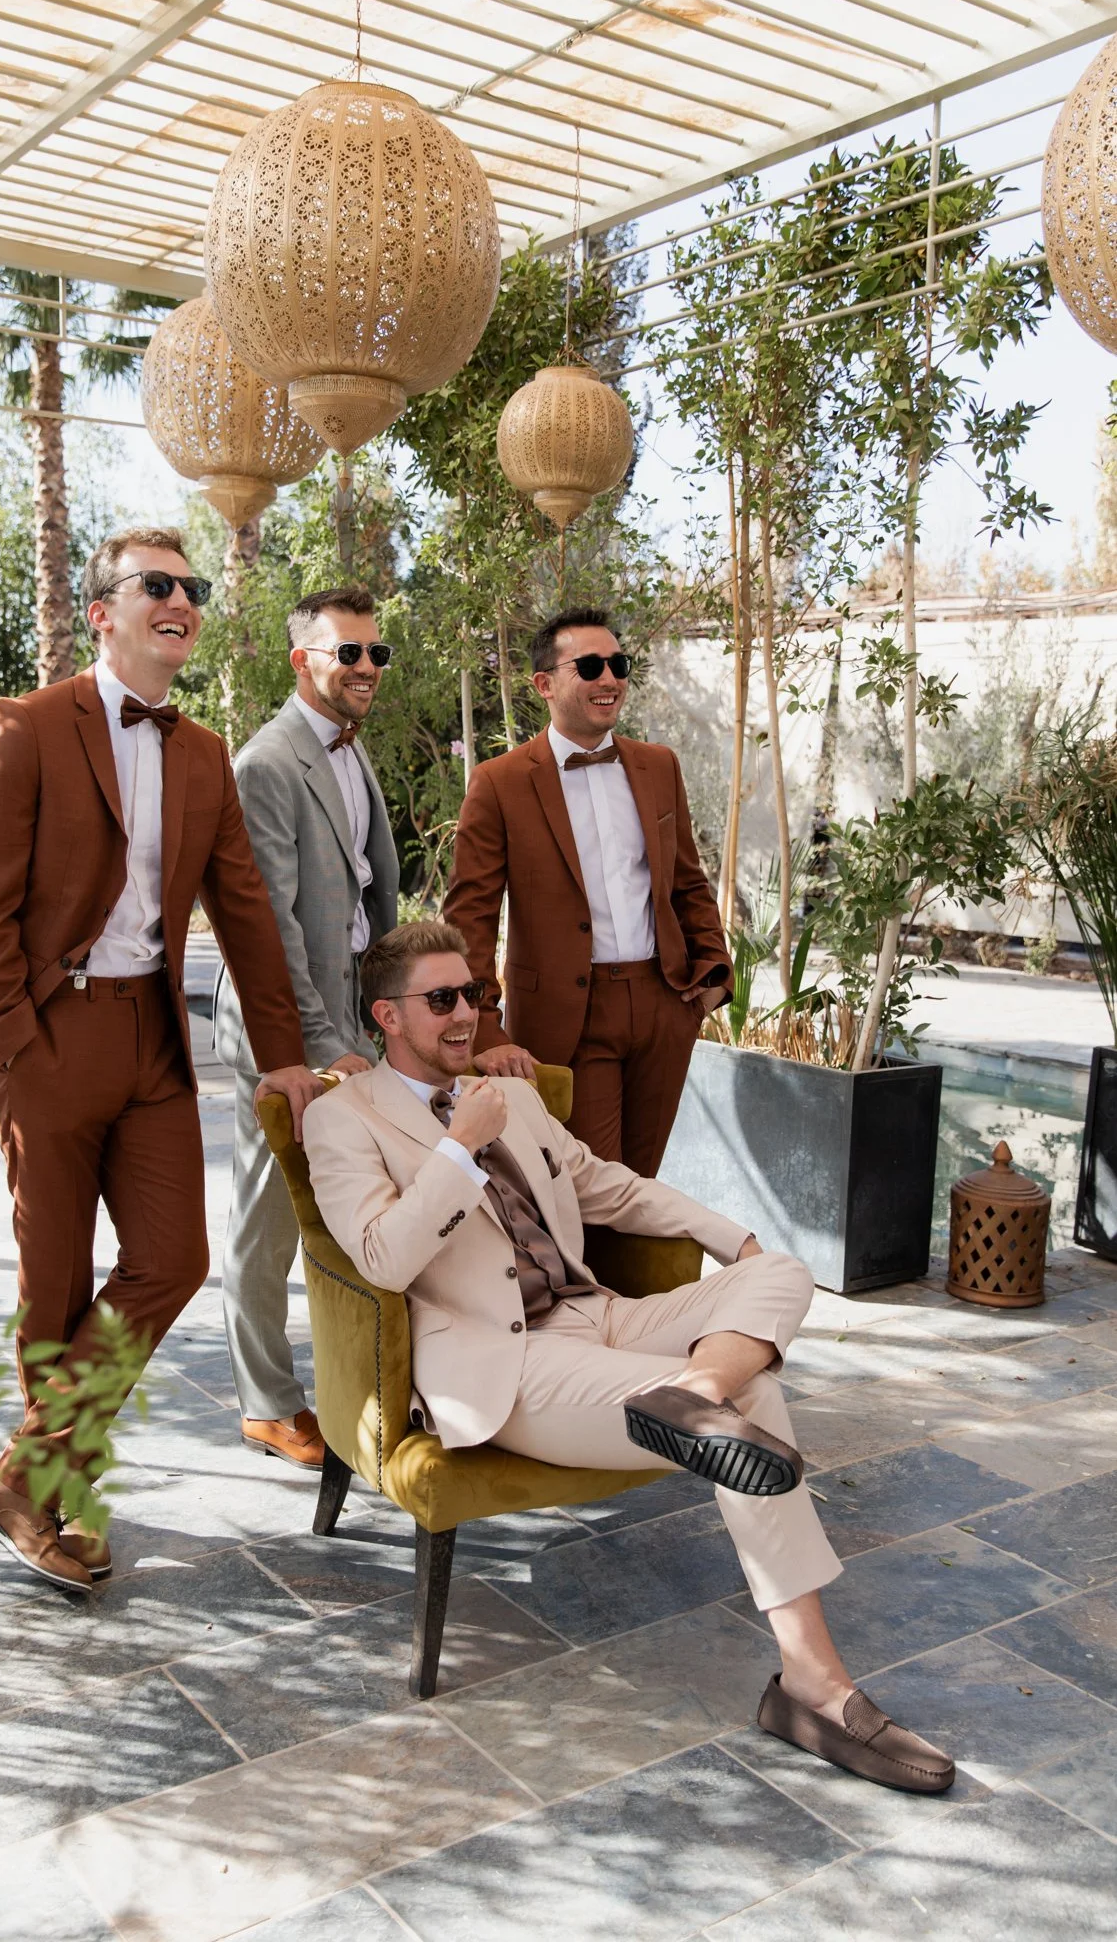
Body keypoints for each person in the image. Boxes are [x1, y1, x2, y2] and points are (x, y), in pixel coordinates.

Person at [302, 920, 956, 1795]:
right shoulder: (343, 1119)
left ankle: (693, 1392)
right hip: (510, 1364)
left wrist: (737, 1241)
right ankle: (814, 1689)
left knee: (783, 1273)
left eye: (476, 994)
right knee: (755, 1399)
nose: (468, 1015)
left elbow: (604, 1184)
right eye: (443, 1000)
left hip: (597, 1317)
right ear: (386, 1015)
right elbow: (381, 1258)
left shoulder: (513, 1094)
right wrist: (460, 1147)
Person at [0, 525, 319, 1592]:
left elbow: (244, 910)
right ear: (103, 610)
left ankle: (23, 1474)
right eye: (159, 583)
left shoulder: (200, 751)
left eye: (191, 585)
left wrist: (282, 1054)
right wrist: (16, 1049)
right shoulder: (29, 725)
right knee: (52, 1285)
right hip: (49, 1035)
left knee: (171, 1256)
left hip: (152, 1038)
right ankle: (59, 1494)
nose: (182, 598)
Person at [214, 584, 400, 1467]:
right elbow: (268, 928)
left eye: (375, 653)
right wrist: (321, 1044)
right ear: (304, 660)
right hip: (281, 1029)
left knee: (351, 1205)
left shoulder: (347, 753)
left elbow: (367, 897)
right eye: (347, 653)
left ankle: (356, 1385)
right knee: (267, 1218)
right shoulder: (266, 762)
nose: (365, 668)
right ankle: (265, 1403)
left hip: (348, 1018)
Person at [443, 608, 731, 1176]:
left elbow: (686, 881)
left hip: (663, 1001)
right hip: (569, 1015)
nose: (610, 679)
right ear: (545, 684)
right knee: (594, 1186)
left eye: (618, 665)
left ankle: (630, 1272)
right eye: (591, 666)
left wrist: (713, 972)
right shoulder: (500, 782)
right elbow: (470, 916)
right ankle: (593, 1272)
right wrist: (485, 1024)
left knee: (643, 1182)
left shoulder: (658, 765)